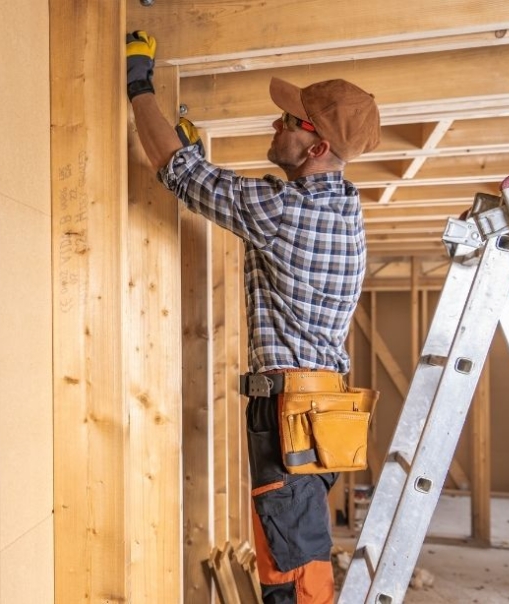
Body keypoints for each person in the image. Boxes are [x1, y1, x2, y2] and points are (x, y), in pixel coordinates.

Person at [126, 31, 381, 603]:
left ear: (316, 148)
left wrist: (139, 86)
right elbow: (252, 202)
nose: (275, 127)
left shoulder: (286, 212)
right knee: (297, 545)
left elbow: (180, 174)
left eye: (288, 122)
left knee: (290, 567)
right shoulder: (342, 206)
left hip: (289, 410)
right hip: (316, 410)